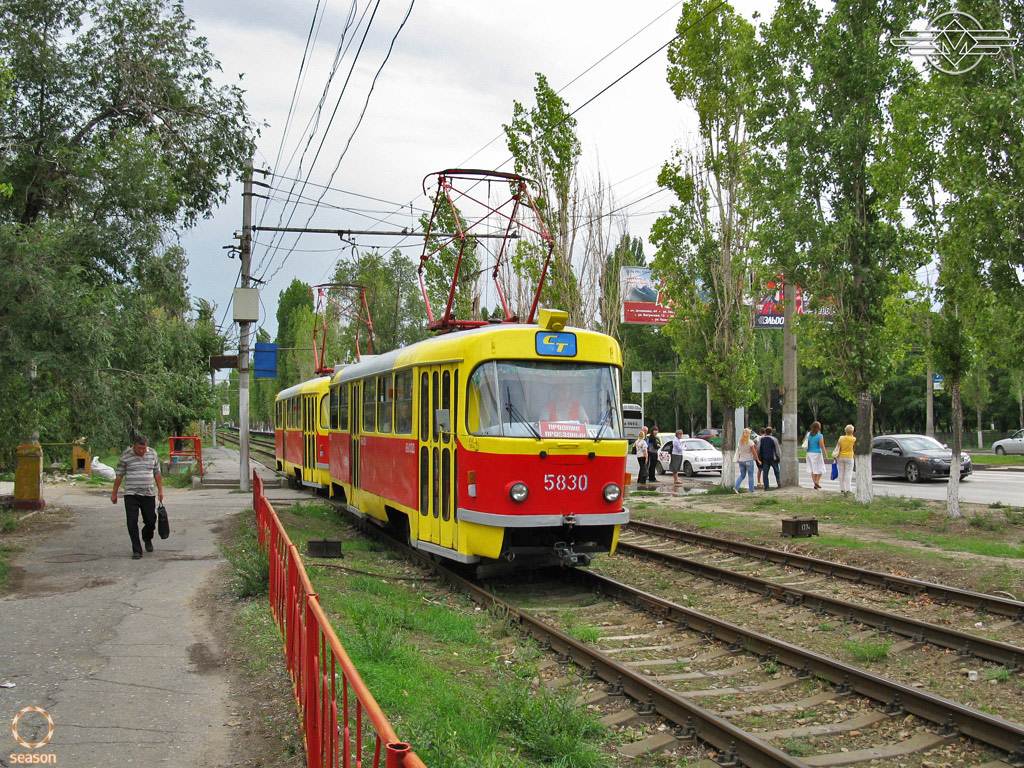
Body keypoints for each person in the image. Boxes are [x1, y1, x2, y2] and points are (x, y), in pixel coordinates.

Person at [111, 434, 164, 559]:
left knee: (151, 520)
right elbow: (119, 475)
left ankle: (147, 537)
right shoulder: (126, 455)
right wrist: (114, 493)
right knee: (132, 521)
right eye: (139, 448)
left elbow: (157, 473)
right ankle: (136, 549)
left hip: (148, 493)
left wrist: (160, 490)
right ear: (134, 446)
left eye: (143, 448)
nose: (141, 451)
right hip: (131, 494)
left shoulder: (152, 454)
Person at [733, 427, 760, 493]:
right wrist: (758, 460)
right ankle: (751, 490)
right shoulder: (750, 442)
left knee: (742, 475)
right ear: (748, 434)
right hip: (749, 460)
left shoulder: (740, 442)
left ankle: (736, 487)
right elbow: (754, 452)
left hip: (741, 461)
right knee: (750, 476)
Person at [834, 424, 856, 494]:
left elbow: (838, 446)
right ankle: (848, 489)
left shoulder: (841, 438)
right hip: (849, 457)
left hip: (840, 456)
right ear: (852, 431)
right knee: (848, 473)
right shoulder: (854, 439)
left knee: (841, 473)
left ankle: (842, 488)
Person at [805, 421, 826, 489]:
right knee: (820, 468)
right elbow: (822, 446)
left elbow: (804, 442)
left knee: (812, 469)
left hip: (809, 453)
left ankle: (815, 483)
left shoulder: (808, 434)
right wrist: (826, 454)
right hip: (817, 453)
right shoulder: (820, 436)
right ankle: (817, 481)